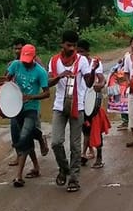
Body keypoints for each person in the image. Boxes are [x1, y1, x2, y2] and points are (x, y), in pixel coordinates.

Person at [46, 30, 94, 192]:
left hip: (77, 106)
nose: (72, 48)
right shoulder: (54, 61)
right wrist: (60, 76)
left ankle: (74, 178)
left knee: (75, 145)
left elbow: (88, 83)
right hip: (59, 106)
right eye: (69, 45)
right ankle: (64, 168)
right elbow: (48, 83)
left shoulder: (82, 61)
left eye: (74, 45)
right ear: (62, 44)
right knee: (56, 142)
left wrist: (92, 71)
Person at [2, 44, 49, 187]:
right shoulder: (16, 65)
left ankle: (18, 176)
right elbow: (7, 81)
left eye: (28, 59)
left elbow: (47, 93)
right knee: (27, 138)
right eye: (23, 59)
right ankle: (36, 161)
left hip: (31, 108)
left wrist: (31, 97)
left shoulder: (40, 72)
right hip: (16, 107)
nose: (25, 62)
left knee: (23, 140)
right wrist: (4, 83)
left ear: (34, 57)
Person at [77, 39, 109, 169]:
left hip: (93, 102)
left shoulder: (95, 64)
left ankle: (99, 157)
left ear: (88, 52)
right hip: (81, 102)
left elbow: (102, 79)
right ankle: (84, 154)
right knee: (85, 130)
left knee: (96, 130)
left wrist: (99, 86)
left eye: (82, 52)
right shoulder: (76, 63)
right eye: (78, 52)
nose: (79, 54)